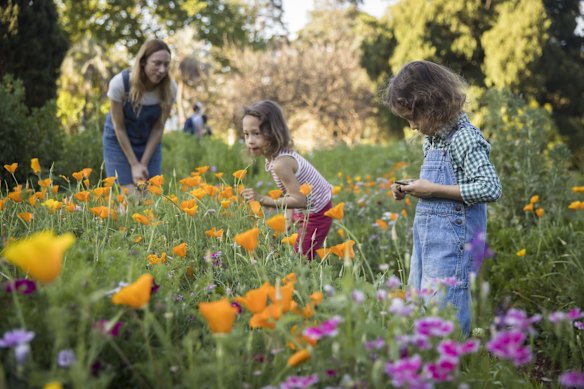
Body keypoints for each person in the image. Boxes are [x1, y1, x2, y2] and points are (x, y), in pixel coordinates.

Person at [384, 60, 502, 335]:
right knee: (421, 298)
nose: (412, 126)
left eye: (414, 117)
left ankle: (453, 363)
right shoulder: (434, 139)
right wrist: (411, 186)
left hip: (454, 242)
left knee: (445, 301)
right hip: (427, 239)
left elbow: (490, 187)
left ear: (433, 104)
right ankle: (428, 362)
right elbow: (441, 182)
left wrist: (433, 190)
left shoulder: (465, 139)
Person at [240, 100, 333, 260]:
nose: (250, 141)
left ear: (273, 132)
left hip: (316, 214)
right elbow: (291, 191)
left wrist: (262, 199)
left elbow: (300, 200)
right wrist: (289, 219)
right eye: (246, 134)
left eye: (256, 133)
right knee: (295, 252)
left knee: (299, 260)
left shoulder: (280, 163)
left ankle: (308, 283)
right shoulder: (276, 158)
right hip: (307, 210)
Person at [102, 39, 177, 194]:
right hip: (119, 141)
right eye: (157, 63)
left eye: (166, 64)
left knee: (148, 195)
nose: (162, 70)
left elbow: (158, 127)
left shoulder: (170, 89)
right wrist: (134, 164)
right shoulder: (120, 84)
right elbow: (119, 127)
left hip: (149, 143)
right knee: (129, 196)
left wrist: (142, 163)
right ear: (143, 62)